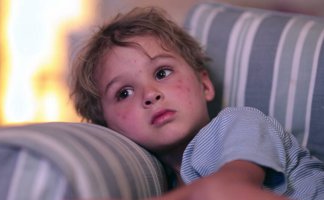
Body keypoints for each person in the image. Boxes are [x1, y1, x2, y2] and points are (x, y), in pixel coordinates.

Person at [69, 6, 324, 200]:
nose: (150, 94)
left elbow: (225, 188)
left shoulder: (236, 122)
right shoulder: (160, 180)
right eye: (124, 93)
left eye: (162, 73)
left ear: (204, 84)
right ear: (108, 127)